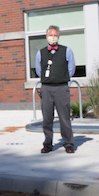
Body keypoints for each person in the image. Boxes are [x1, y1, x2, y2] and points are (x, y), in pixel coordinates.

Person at [35, 25, 76, 153]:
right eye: (50, 35)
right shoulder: (40, 53)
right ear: (46, 36)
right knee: (47, 118)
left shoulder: (67, 51)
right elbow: (38, 70)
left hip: (61, 88)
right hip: (46, 88)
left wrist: (60, 77)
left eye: (55, 35)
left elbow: (71, 69)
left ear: (58, 37)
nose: (53, 37)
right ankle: (48, 143)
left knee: (64, 118)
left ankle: (68, 143)